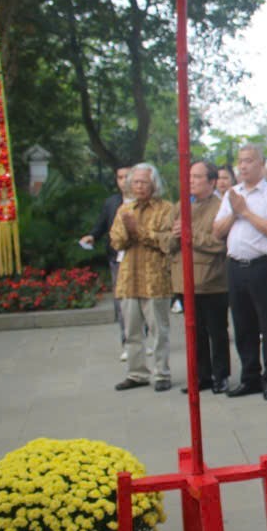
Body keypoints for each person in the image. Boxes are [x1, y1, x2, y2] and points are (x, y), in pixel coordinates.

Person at [213, 144, 267, 400]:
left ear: (261, 164)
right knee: (242, 325)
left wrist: (246, 212)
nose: (242, 166)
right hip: (235, 265)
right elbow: (217, 231)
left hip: (263, 265)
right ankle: (250, 377)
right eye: (240, 161)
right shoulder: (232, 194)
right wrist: (235, 213)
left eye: (248, 161)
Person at [168, 159, 231, 394]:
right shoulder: (181, 206)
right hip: (184, 281)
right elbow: (165, 240)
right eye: (189, 176)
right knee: (194, 332)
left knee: (217, 331)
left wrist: (189, 234)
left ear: (212, 181)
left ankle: (221, 375)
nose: (191, 181)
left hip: (211, 281)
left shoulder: (220, 206)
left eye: (196, 177)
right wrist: (175, 237)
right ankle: (201, 376)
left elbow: (219, 243)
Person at [111, 163, 175, 392]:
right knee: (132, 331)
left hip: (155, 278)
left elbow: (167, 241)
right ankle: (136, 373)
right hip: (129, 278)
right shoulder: (124, 210)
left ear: (153, 184)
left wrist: (138, 230)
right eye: (135, 182)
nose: (138, 186)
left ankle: (161, 373)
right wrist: (129, 230)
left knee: (159, 330)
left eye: (143, 182)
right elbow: (116, 241)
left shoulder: (166, 208)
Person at [82, 165, 131, 355]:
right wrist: (92, 236)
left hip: (140, 259)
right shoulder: (112, 203)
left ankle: (143, 337)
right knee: (121, 301)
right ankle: (126, 342)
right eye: (120, 177)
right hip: (117, 258)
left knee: (140, 301)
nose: (124, 181)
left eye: (128, 176)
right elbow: (101, 225)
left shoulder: (144, 202)